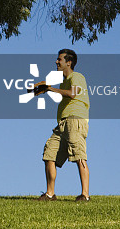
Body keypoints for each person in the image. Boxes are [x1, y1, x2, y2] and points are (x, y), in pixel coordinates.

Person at [37, 48, 90, 202]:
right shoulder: (64, 81)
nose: (56, 61)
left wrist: (49, 88)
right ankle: (50, 194)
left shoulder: (77, 76)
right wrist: (45, 88)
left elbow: (72, 93)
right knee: (49, 153)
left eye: (59, 59)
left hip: (75, 120)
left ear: (69, 62)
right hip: (62, 124)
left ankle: (85, 195)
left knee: (79, 155)